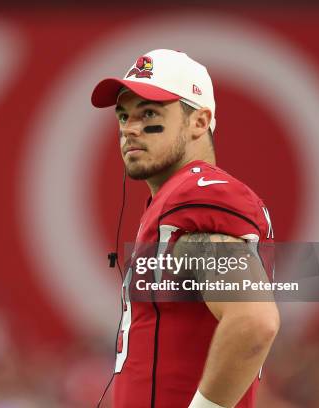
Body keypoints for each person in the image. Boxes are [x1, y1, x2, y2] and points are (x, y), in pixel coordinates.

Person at [91, 49, 280, 408]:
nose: (130, 128)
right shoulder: (172, 200)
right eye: (123, 115)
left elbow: (254, 319)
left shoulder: (197, 194)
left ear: (199, 121)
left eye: (149, 113)